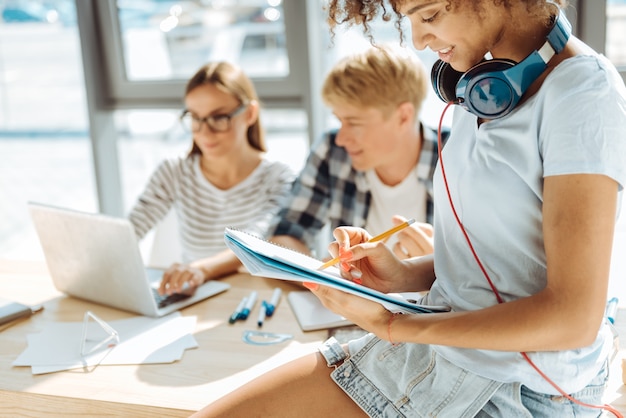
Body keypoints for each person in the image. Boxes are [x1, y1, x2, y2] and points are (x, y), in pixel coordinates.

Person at [192, 1, 626, 417]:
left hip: (516, 389)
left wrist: (395, 326)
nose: (418, 40)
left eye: (430, 15)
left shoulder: (583, 94)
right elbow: (509, 262)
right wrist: (404, 273)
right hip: (436, 354)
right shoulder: (483, 89)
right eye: (410, 20)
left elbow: (572, 319)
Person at [128, 61, 294, 296]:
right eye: (195, 118)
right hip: (192, 296)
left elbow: (257, 242)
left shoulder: (279, 178)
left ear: (249, 113)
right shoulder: (174, 171)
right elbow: (131, 231)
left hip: (253, 299)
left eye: (218, 118)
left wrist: (200, 270)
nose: (204, 132)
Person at [269, 44, 447, 261]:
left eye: (353, 122)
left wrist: (439, 273)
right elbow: (283, 235)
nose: (341, 138)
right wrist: (322, 276)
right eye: (340, 120)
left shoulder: (458, 156)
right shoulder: (332, 152)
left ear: (403, 117)